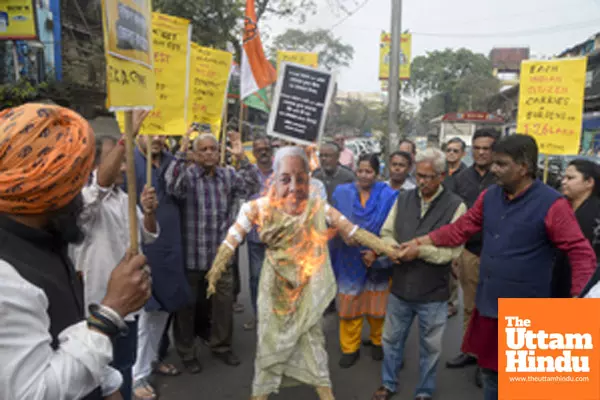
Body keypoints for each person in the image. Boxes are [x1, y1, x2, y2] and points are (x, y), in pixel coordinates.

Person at [409, 135, 597, 400]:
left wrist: (582, 300)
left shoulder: (552, 204)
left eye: (501, 164)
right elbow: (461, 228)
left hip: (529, 309)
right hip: (490, 304)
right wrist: (422, 241)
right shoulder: (490, 196)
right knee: (490, 374)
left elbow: (581, 252)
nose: (493, 169)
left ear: (524, 166)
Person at [205, 147, 402, 400]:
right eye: (286, 178)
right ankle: (260, 394)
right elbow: (232, 239)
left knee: (312, 340)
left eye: (301, 179)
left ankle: (325, 392)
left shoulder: (317, 206)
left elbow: (352, 231)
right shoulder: (257, 207)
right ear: (273, 179)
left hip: (307, 288)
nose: (294, 187)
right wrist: (216, 269)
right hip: (273, 288)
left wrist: (387, 249)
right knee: (269, 341)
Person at [0, 103, 151, 400]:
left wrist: (109, 385)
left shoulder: (47, 239)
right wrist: (109, 313)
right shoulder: (7, 276)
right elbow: (33, 392)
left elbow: (67, 335)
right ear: (51, 187)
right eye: (77, 181)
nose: (82, 193)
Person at [71, 114, 160, 400]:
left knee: (123, 368)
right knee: (97, 377)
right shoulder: (84, 200)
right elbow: (101, 184)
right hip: (98, 310)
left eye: (124, 158)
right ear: (96, 165)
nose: (124, 165)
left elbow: (148, 236)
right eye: (117, 158)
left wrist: (149, 212)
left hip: (129, 308)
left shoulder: (124, 198)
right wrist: (128, 138)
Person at [371, 148, 466, 400]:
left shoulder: (456, 206)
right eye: (419, 175)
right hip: (401, 287)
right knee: (391, 340)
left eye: (428, 176)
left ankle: (424, 391)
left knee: (431, 347)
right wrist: (392, 248)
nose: (422, 181)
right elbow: (386, 232)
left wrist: (420, 251)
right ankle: (388, 384)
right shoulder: (403, 198)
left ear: (442, 176)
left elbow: (453, 253)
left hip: (433, 293)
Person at [164, 130, 259, 372]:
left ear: (219, 153)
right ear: (195, 154)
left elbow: (252, 185)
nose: (209, 153)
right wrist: (180, 154)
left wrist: (242, 157)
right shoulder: (188, 176)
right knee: (187, 308)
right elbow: (172, 186)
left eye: (213, 149)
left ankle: (221, 347)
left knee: (223, 306)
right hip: (192, 257)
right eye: (203, 149)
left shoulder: (227, 176)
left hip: (221, 257)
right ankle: (187, 353)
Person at [130, 134, 192, 399]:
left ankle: (152, 360)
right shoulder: (130, 162)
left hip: (171, 245)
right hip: (144, 247)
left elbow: (182, 191)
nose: (158, 137)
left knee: (164, 309)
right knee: (146, 313)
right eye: (151, 131)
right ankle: (137, 375)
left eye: (163, 131)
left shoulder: (171, 161)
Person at [331, 154, 398, 368]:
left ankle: (379, 341)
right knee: (350, 302)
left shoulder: (389, 195)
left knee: (378, 303)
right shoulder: (342, 193)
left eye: (368, 171)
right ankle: (350, 347)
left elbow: (392, 227)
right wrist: (342, 232)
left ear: (377, 174)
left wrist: (376, 252)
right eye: (360, 170)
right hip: (348, 256)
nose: (363, 175)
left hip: (378, 258)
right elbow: (329, 218)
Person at [444, 129, 498, 380]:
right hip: (469, 251)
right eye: (477, 148)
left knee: (493, 310)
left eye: (486, 148)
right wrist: (454, 253)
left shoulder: (502, 177)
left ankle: (487, 361)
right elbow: (453, 216)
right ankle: (471, 351)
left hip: (498, 255)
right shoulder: (460, 179)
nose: (481, 153)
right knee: (470, 306)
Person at [553, 159, 600, 298]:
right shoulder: (559, 207)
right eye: (563, 177)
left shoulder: (596, 214)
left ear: (589, 182)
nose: (563, 182)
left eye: (570, 178)